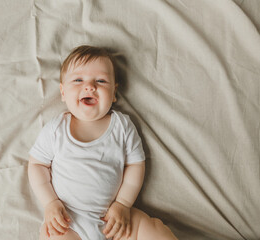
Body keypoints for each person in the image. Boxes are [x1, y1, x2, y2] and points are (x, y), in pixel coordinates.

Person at [28, 45, 178, 240]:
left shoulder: (122, 126)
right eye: (78, 80)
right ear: (63, 92)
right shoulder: (56, 129)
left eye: (101, 80)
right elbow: (37, 164)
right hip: (69, 220)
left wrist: (123, 204)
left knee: (156, 231)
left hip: (114, 218)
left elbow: (135, 164)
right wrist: (50, 203)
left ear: (114, 93)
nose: (90, 86)